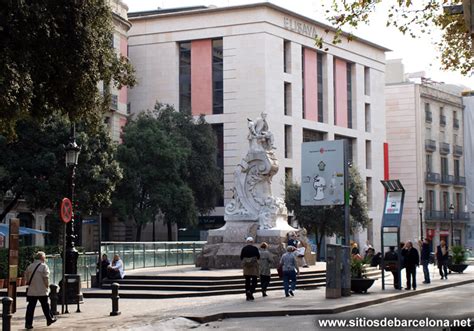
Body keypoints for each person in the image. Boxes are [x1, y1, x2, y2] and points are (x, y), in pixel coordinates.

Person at [24, 251, 57, 329]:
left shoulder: (30, 266)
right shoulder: (44, 266)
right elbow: (46, 278)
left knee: (30, 308)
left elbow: (27, 278)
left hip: (32, 291)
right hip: (42, 290)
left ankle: (28, 324)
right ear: (42, 258)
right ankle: (49, 319)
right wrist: (47, 286)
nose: (45, 258)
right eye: (44, 257)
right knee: (45, 305)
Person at [240, 237, 260, 301]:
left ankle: (247, 294)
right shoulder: (255, 248)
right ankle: (251, 292)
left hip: (246, 267)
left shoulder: (244, 249)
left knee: (247, 281)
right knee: (254, 281)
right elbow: (258, 256)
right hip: (253, 267)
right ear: (252, 242)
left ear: (247, 242)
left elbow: (241, 257)